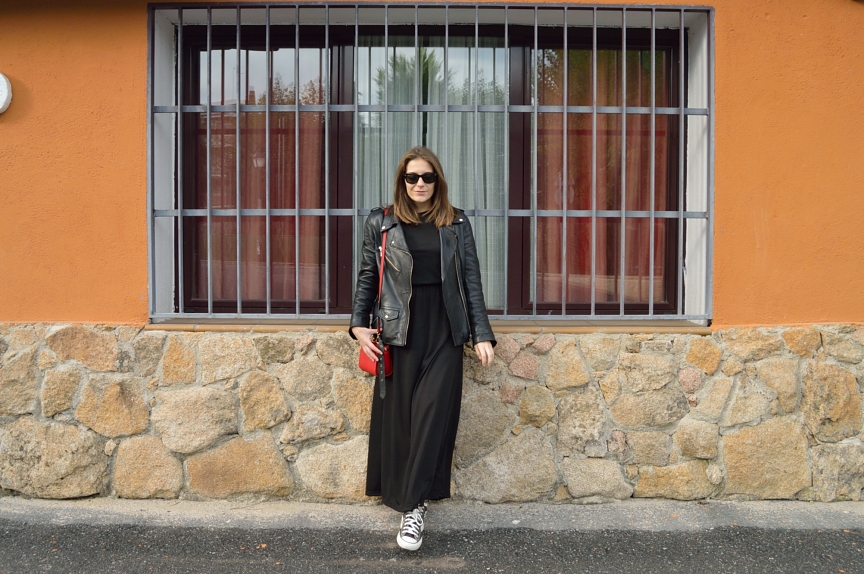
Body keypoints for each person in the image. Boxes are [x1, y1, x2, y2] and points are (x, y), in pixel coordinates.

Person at [350, 146, 496, 551]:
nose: (419, 185)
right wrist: (358, 326)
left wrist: (481, 333)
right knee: (403, 423)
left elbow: (471, 279)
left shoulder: (456, 222)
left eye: (427, 178)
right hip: (399, 332)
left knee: (432, 418)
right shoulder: (381, 222)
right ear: (402, 182)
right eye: (411, 178)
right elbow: (368, 275)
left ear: (438, 182)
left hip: (446, 331)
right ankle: (409, 499)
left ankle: (413, 509)